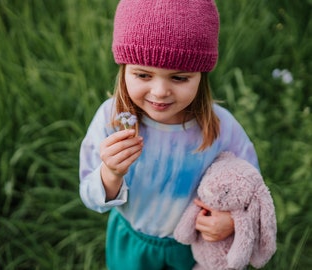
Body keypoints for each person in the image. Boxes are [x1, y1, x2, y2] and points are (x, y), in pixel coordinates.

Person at [79, 0, 260, 269]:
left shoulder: (221, 128)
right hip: (132, 243)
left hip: (193, 247)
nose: (160, 91)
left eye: (179, 78)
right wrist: (111, 173)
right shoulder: (112, 120)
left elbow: (252, 189)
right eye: (143, 74)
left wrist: (232, 221)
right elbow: (91, 197)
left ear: (201, 76)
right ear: (124, 70)